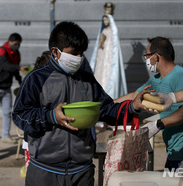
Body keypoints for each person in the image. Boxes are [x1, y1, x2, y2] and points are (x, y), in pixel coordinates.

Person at [12, 21, 149, 186]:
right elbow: (20, 115)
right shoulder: (36, 79)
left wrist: (132, 106)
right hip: (44, 171)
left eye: (81, 53)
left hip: (81, 171)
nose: (79, 58)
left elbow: (106, 110)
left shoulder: (87, 80)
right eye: (74, 53)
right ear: (55, 51)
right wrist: (50, 116)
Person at [116, 37, 183, 170]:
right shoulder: (156, 81)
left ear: (156, 57)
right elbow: (134, 96)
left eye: (147, 56)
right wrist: (107, 104)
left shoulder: (181, 76)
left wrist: (159, 124)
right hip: (173, 150)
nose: (146, 60)